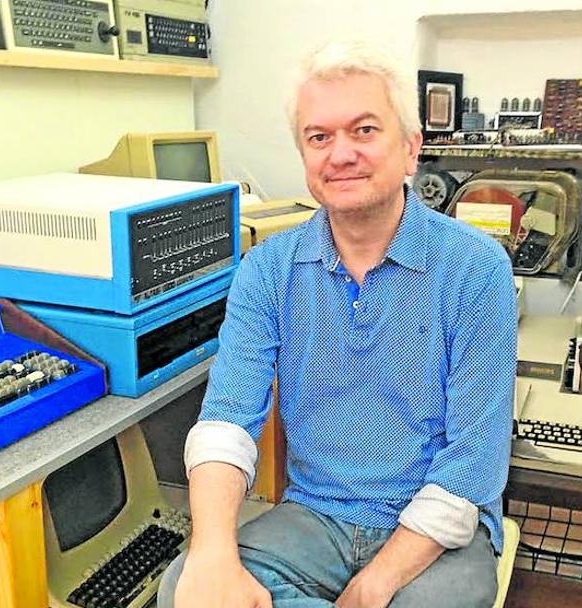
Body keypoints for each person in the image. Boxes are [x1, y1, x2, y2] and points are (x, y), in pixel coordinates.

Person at [158, 39, 517, 608]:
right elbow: (226, 423)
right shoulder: (268, 269)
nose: (340, 154)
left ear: (411, 148)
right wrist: (212, 555)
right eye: (318, 137)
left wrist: (376, 584)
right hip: (314, 518)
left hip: (434, 530)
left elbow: (472, 467)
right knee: (187, 587)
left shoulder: (476, 269)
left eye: (365, 130)